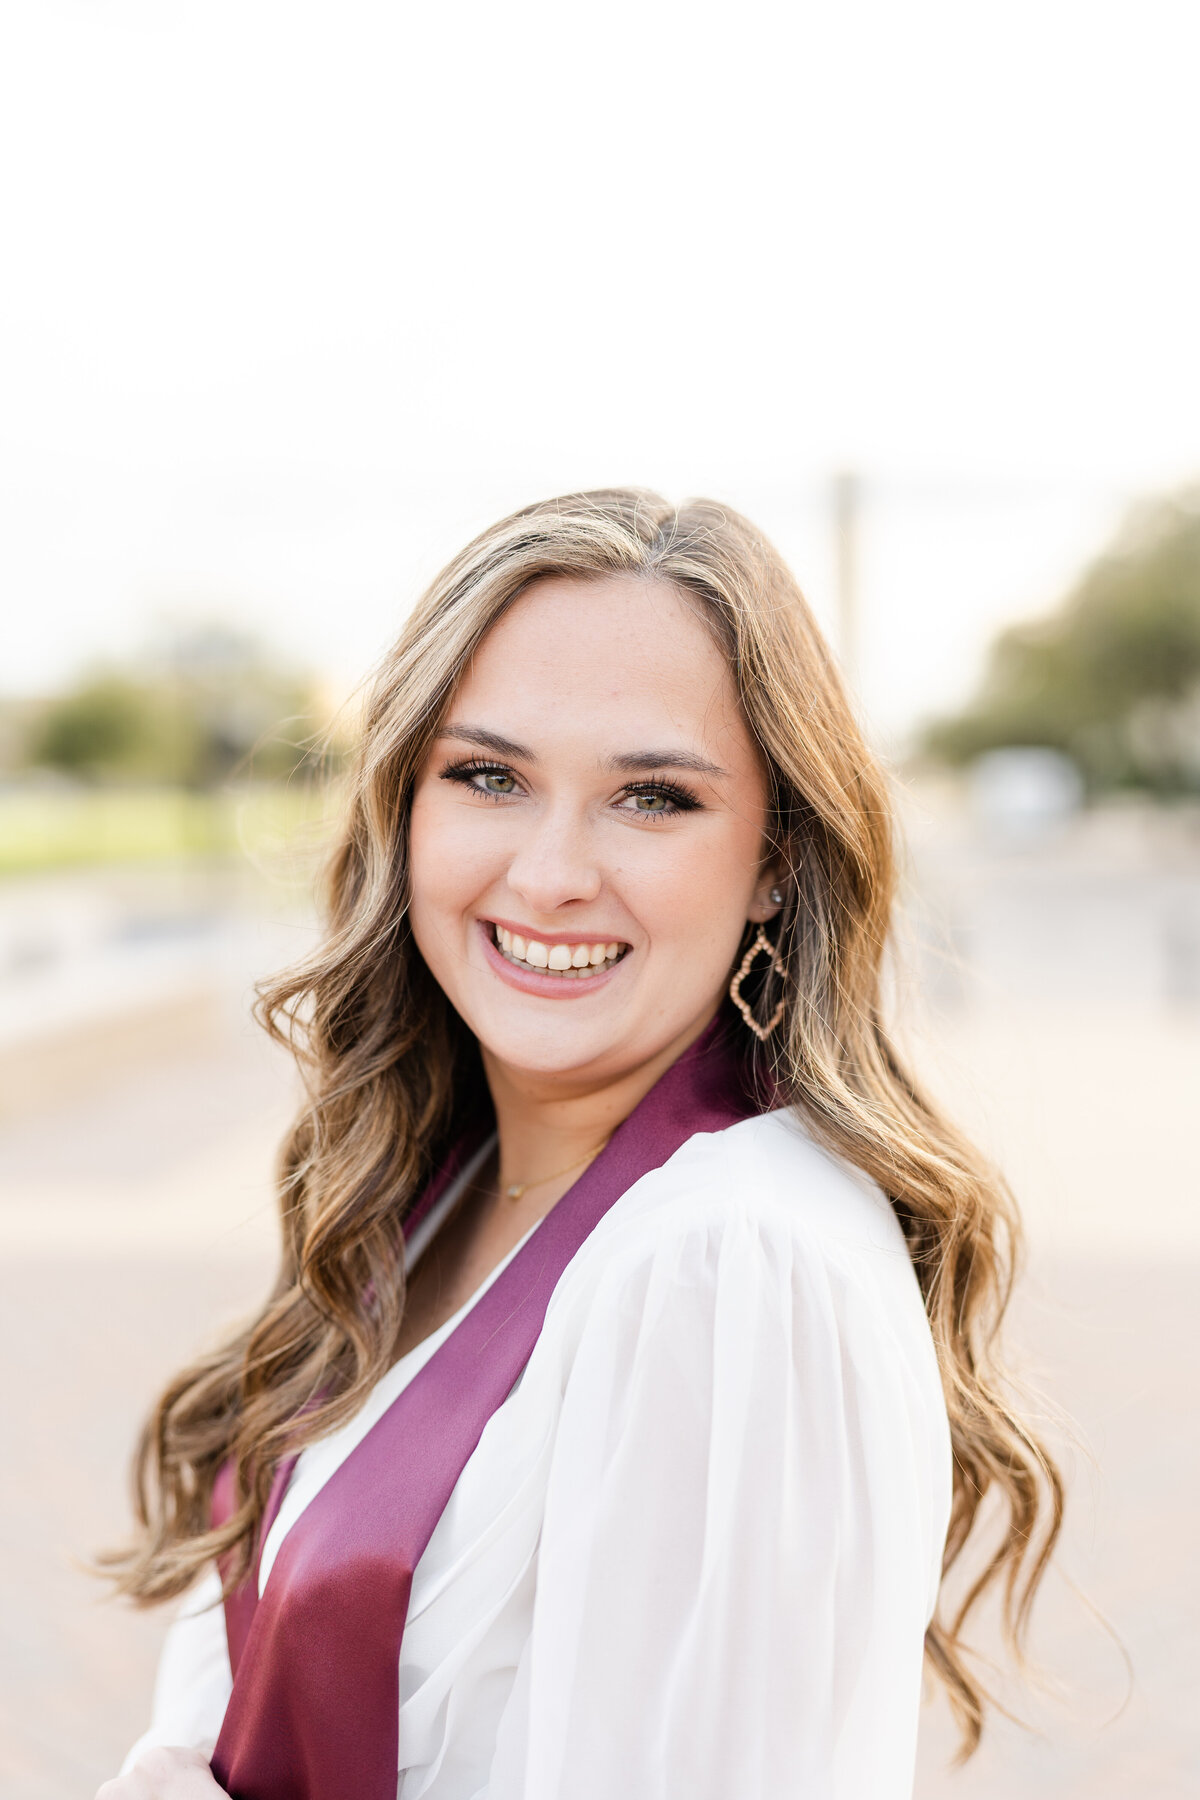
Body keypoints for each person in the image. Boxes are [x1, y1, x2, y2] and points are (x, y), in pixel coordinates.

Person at [98, 489, 1062, 1800]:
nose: (550, 872)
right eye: (489, 776)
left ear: (775, 858)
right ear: (407, 808)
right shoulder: (442, 1189)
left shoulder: (726, 1264)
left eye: (650, 798)